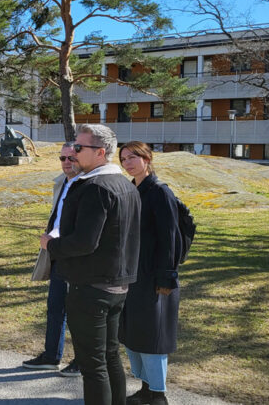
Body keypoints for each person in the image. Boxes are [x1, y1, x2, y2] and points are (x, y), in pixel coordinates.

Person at [40, 124, 140, 405]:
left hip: (91, 288)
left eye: (79, 148)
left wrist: (51, 245)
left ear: (100, 152)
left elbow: (84, 242)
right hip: (117, 286)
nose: (73, 152)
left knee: (94, 365)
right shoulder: (124, 185)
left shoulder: (95, 187)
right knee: (109, 357)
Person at [119, 141, 183, 405]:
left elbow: (171, 238)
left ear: (147, 158)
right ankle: (146, 388)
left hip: (154, 276)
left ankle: (159, 394)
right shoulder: (130, 189)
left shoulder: (159, 192)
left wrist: (166, 277)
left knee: (153, 336)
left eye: (133, 157)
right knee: (135, 333)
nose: (128, 163)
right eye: (123, 158)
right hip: (130, 274)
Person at [23, 143, 81, 376]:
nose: (67, 162)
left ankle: (82, 360)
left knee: (77, 311)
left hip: (76, 256)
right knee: (55, 307)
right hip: (56, 251)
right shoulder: (62, 182)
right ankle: (51, 356)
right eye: (62, 158)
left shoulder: (86, 185)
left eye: (71, 158)